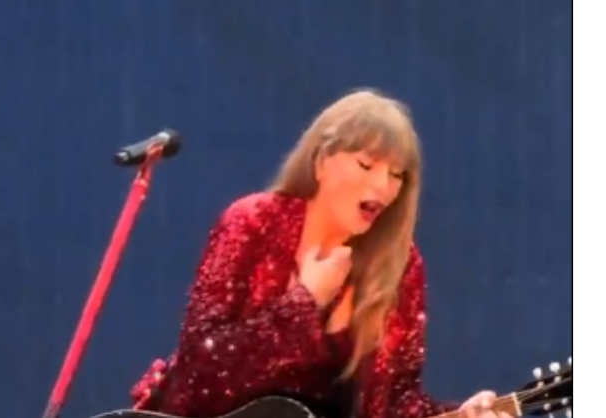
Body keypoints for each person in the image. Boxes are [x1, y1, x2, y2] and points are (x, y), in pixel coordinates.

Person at [130, 90, 507, 418]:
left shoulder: (400, 266)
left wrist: (459, 415)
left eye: (397, 175)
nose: (383, 185)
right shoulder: (253, 222)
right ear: (322, 160)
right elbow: (201, 368)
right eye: (367, 164)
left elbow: (395, 403)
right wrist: (304, 302)